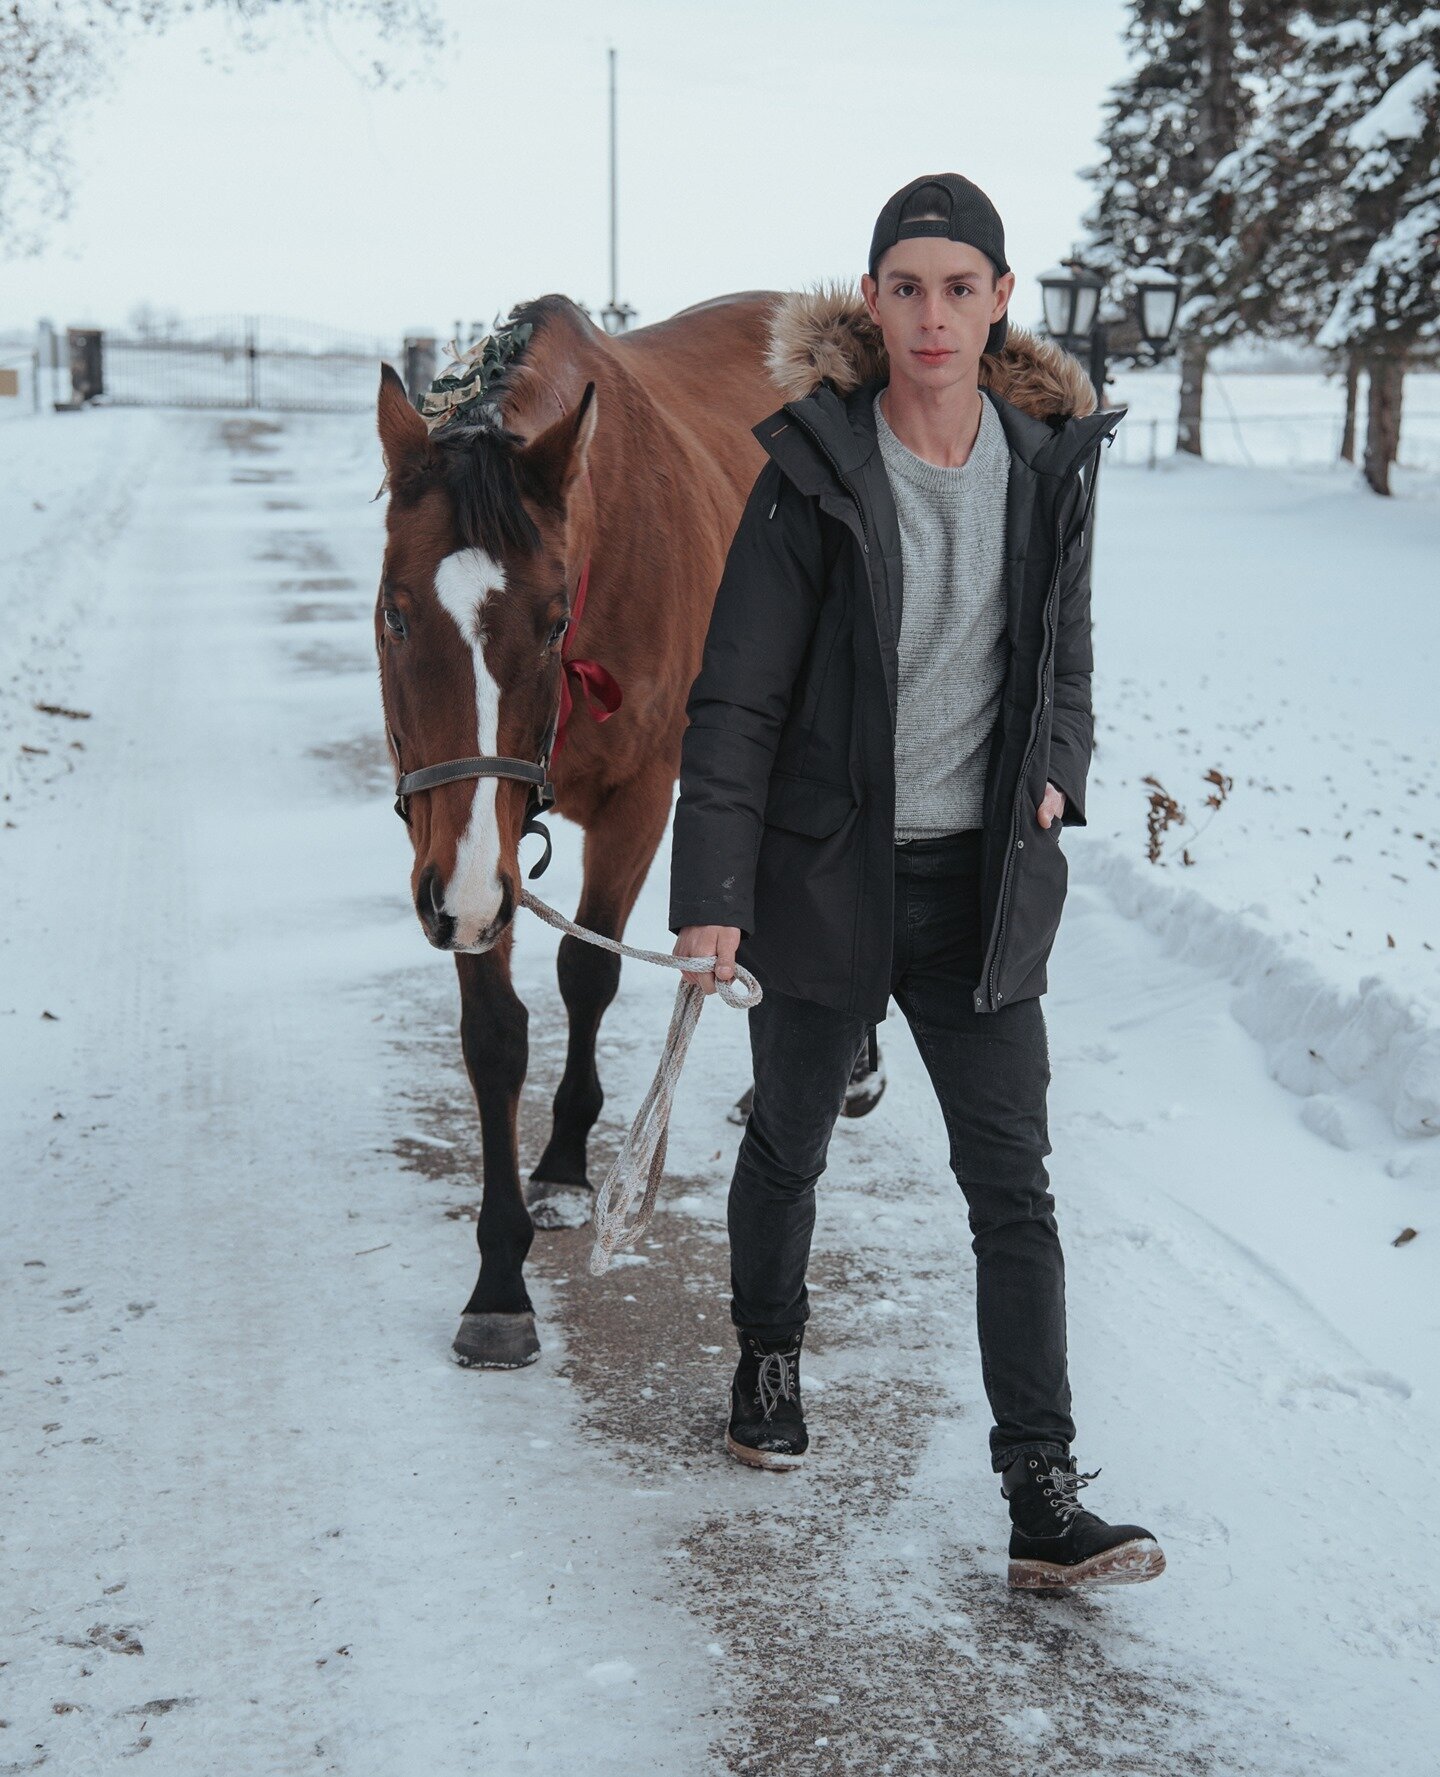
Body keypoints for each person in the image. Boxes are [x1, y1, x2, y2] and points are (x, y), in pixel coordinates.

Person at [668, 173, 1165, 1591]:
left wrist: (1057, 764)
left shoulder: (1049, 463)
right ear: (871, 301)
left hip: (981, 889)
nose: (933, 315)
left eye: (960, 287)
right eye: (907, 287)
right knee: (792, 1142)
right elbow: (737, 699)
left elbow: (1063, 654)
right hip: (826, 878)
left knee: (1014, 1187)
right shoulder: (814, 470)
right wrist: (714, 887)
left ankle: (1039, 1495)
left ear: (1001, 299)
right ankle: (769, 1356)